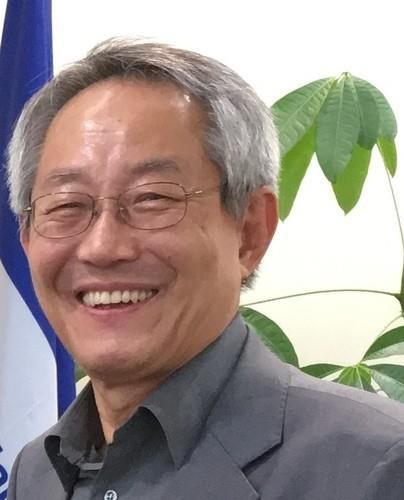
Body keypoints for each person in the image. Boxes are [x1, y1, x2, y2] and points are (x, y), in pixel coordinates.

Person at [6, 38, 404, 500]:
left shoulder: (375, 468)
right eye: (66, 205)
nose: (102, 247)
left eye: (152, 198)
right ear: (26, 238)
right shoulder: (36, 472)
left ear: (250, 231)